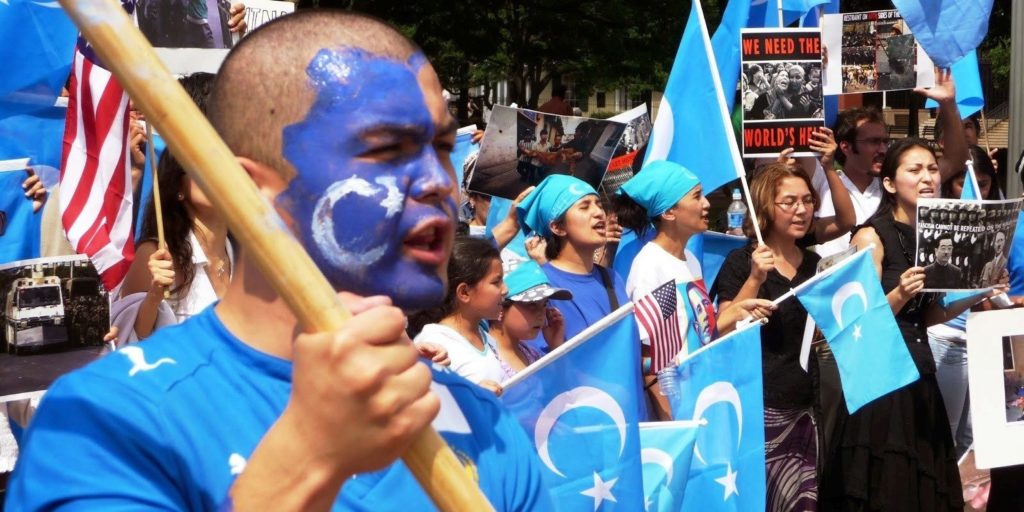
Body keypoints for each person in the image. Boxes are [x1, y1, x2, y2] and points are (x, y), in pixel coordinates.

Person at [7, 11, 551, 510]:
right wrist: (308, 454)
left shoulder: (485, 426)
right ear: (244, 190)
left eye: (441, 148)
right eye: (387, 150)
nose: (438, 182)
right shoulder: (108, 421)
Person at [822, 138, 1003, 511]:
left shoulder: (932, 236)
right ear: (890, 183)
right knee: (888, 485)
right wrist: (900, 293)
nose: (927, 178)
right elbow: (858, 323)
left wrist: (978, 292)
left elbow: (930, 315)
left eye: (932, 169)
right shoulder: (871, 236)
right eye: (915, 170)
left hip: (921, 372)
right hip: (883, 380)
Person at [614, 161, 776, 419]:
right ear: (669, 212)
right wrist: (671, 423)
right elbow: (652, 359)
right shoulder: (651, 267)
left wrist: (742, 304)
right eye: (697, 196)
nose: (706, 203)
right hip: (678, 408)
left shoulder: (688, 259)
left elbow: (703, 333)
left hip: (701, 397)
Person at [712, 164, 825, 511]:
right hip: (760, 409)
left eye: (807, 200)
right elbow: (722, 329)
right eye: (789, 202)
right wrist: (755, 279)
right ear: (765, 207)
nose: (801, 210)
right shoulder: (741, 261)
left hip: (808, 409)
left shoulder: (817, 264)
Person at [410, 236, 508, 394]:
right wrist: (473, 397)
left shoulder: (485, 337)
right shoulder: (434, 346)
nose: (505, 290)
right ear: (464, 292)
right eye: (496, 282)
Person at [488, 259, 569, 374]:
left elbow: (563, 382)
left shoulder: (530, 354)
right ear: (501, 305)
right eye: (531, 304)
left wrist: (556, 346)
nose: (541, 314)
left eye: (544, 304)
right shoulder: (487, 362)